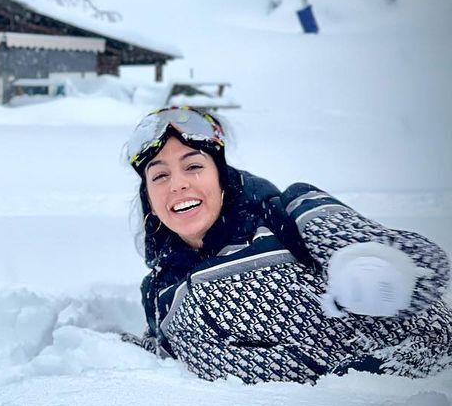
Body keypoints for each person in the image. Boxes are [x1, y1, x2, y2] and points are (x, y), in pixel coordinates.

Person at [126, 106, 452, 384]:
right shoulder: (160, 291)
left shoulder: (289, 215)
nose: (178, 183)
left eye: (193, 166)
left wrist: (371, 265)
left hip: (422, 390)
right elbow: (164, 363)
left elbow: (423, 266)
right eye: (159, 176)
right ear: (150, 199)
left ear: (221, 177)